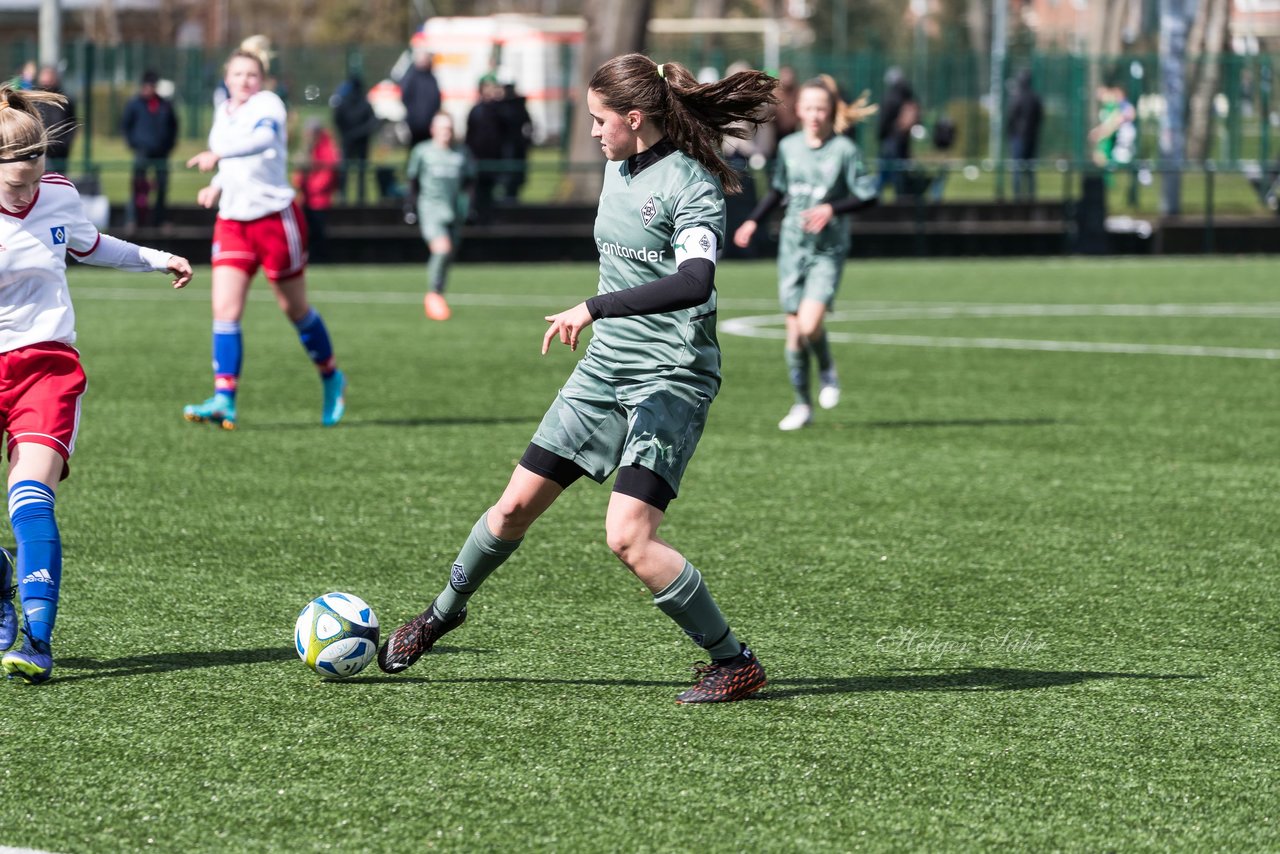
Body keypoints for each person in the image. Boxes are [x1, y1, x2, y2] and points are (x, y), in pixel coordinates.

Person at [376, 54, 777, 705]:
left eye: (599, 119)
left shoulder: (692, 185)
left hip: (669, 380)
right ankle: (441, 614)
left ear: (635, 117)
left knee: (627, 537)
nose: (592, 131)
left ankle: (734, 661)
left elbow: (694, 282)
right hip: (604, 373)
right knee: (511, 508)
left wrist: (593, 308)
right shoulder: (620, 166)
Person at [0, 85, 193, 683]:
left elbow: (90, 244)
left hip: (46, 368)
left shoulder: (58, 196)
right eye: (15, 178)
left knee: (30, 497)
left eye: (36, 170)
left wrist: (158, 258)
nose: (29, 186)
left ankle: (36, 637)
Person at [184, 47, 345, 430]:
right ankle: (224, 398)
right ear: (226, 78)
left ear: (262, 79)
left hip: (275, 220)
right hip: (233, 223)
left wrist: (217, 155)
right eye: (237, 74)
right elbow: (235, 166)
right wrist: (217, 185)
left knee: (295, 309)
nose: (244, 81)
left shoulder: (269, 105)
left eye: (251, 74)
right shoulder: (223, 113)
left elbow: (262, 143)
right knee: (225, 310)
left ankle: (331, 375)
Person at [732, 77, 878, 431]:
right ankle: (802, 405)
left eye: (821, 109)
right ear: (798, 110)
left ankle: (827, 368)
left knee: (810, 324)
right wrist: (752, 221)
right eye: (809, 108)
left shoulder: (844, 151)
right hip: (792, 249)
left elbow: (869, 195)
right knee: (794, 333)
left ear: (831, 112)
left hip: (827, 250)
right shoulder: (789, 148)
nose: (814, 115)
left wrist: (832, 209)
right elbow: (779, 191)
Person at [406, 112, 476, 321]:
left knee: (448, 255)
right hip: (430, 208)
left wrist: (469, 207)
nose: (446, 132)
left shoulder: (461, 153)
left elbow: (470, 182)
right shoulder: (422, 151)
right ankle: (433, 295)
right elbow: (413, 181)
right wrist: (409, 207)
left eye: (449, 128)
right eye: (442, 128)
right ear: (433, 130)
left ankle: (439, 293)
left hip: (453, 210)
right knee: (441, 248)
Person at [121, 69, 179, 229]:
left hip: (162, 152)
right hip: (142, 151)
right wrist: (134, 144)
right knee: (137, 186)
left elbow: (173, 126)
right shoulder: (134, 104)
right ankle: (132, 220)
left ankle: (160, 220)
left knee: (161, 186)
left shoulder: (164, 104)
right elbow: (126, 125)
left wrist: (169, 145)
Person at [294, 118, 340, 263]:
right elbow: (298, 175)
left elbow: (328, 174)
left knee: (318, 232)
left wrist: (313, 188)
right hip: (306, 199)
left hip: (320, 200)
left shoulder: (327, 149)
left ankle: (319, 258)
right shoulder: (308, 148)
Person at [331, 74, 379, 204]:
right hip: (354, 140)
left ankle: (351, 197)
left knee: (354, 170)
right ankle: (352, 197)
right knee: (350, 170)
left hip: (354, 140)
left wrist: (349, 134)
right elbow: (372, 122)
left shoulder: (348, 102)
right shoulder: (360, 103)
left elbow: (337, 119)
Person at [465, 75, 505, 224]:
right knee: (478, 190)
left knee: (491, 190)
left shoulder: (499, 110)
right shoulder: (476, 110)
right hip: (479, 157)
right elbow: (471, 136)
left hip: (494, 157)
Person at [876, 67, 918, 199]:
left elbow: (884, 120)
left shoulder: (890, 97)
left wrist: (880, 134)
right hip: (903, 139)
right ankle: (901, 198)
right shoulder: (909, 96)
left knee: (885, 171)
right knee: (899, 171)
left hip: (890, 140)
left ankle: (876, 199)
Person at [1007, 69, 1043, 201]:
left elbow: (1011, 117)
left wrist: (1011, 133)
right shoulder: (1035, 98)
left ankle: (1017, 196)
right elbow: (1040, 118)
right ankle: (1031, 195)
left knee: (1017, 168)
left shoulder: (1018, 97)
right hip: (1031, 137)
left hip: (1019, 138)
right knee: (1030, 169)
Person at [33, 66, 75, 175]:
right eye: (45, 77)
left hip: (60, 151)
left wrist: (65, 144)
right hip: (39, 150)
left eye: (50, 77)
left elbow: (72, 124)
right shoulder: (34, 99)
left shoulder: (64, 100)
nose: (47, 81)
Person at [400, 48, 441, 149]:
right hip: (414, 125)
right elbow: (405, 97)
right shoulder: (411, 76)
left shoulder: (432, 77)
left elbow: (436, 99)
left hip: (429, 125)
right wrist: (414, 116)